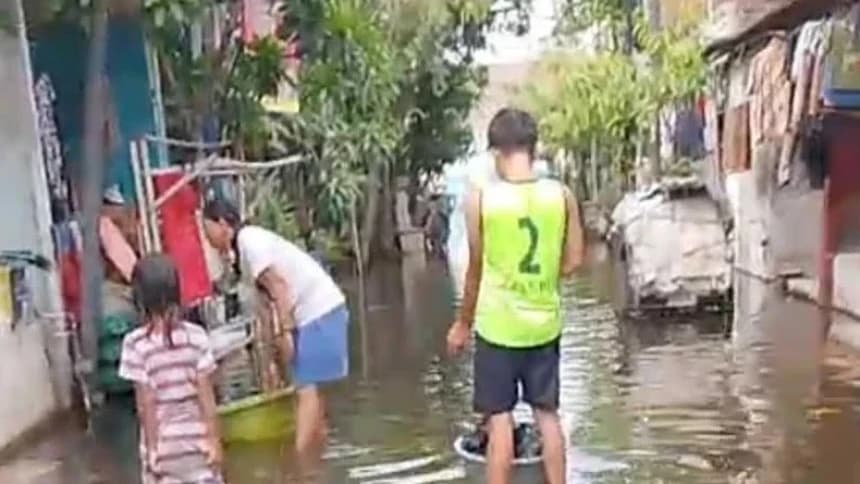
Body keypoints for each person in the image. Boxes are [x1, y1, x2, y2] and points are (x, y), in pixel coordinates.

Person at [447, 108, 585, 484]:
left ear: (495, 152)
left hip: (498, 328)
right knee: (547, 415)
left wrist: (462, 324)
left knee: (500, 419)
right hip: (544, 324)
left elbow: (474, 270)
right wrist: (538, 278)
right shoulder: (562, 195)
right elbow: (573, 262)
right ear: (534, 148)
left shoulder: (481, 200)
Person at [201, 198, 349, 460]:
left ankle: (301, 466)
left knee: (307, 389)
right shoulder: (243, 254)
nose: (206, 236)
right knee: (310, 391)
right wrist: (273, 357)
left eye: (207, 227)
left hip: (318, 309)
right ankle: (318, 456)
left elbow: (280, 287)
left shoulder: (249, 240)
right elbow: (267, 306)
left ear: (223, 224)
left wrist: (287, 333)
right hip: (316, 311)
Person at [118, 254, 224, 484]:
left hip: (165, 450)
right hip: (198, 446)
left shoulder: (135, 344)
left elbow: (145, 404)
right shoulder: (196, 337)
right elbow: (207, 398)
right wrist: (214, 442)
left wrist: (152, 450)